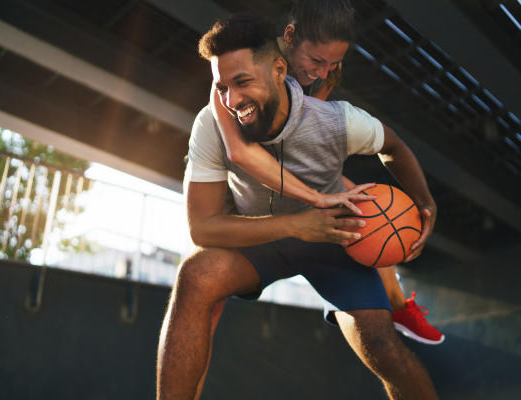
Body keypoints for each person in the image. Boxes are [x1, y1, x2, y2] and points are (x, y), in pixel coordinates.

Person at [157, 13, 439, 400]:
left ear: (277, 70)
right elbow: (203, 228)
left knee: (384, 349)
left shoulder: (338, 120)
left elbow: (394, 146)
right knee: (196, 275)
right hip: (263, 239)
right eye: (222, 86)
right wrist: (295, 225)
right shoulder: (212, 124)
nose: (232, 99)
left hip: (333, 239)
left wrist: (425, 202)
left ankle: (397, 304)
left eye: (243, 82)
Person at [210, 0, 444, 345]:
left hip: (290, 167)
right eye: (317, 60)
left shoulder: (320, 74)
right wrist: (318, 196)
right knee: (204, 282)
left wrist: (426, 202)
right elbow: (239, 151)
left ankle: (396, 304)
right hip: (241, 181)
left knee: (371, 208)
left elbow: (310, 129)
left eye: (334, 63)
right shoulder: (243, 65)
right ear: (289, 36)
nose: (323, 71)